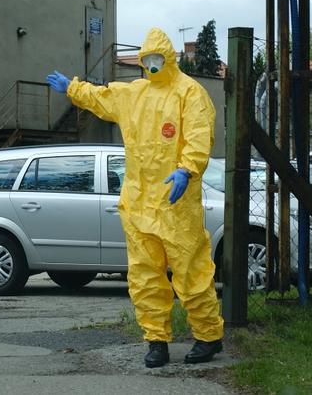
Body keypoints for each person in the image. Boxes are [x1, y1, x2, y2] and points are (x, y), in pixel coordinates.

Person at [46, 27, 224, 367]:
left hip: (176, 203)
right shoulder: (134, 94)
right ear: (142, 62)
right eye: (148, 60)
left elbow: (200, 135)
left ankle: (208, 336)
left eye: (159, 59)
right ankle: (156, 340)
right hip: (140, 204)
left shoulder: (190, 93)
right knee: (145, 275)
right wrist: (72, 88)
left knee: (191, 271)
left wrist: (187, 169)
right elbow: (101, 97)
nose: (153, 65)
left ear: (170, 59)